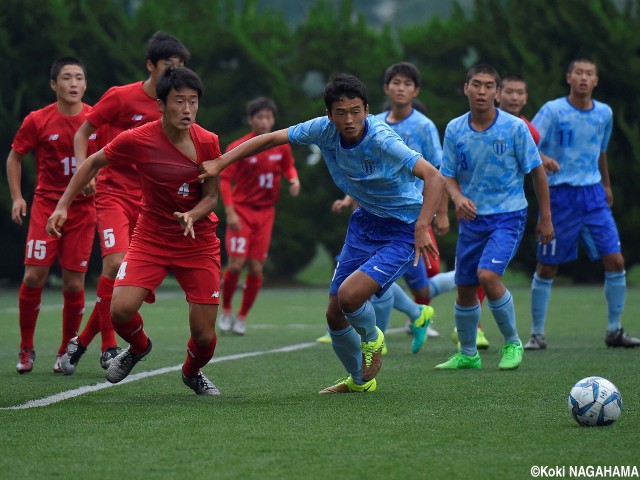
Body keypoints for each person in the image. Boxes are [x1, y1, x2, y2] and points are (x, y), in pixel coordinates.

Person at [199, 73, 446, 393]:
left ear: (367, 110)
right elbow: (269, 139)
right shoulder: (322, 128)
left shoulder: (383, 139)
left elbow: (434, 177)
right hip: (366, 221)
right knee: (334, 315)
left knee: (350, 296)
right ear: (329, 115)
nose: (349, 120)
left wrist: (424, 226)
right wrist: (220, 162)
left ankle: (373, 338)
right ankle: (359, 382)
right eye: (341, 113)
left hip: (403, 228)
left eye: (356, 111)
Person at [47, 66, 223, 396]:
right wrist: (62, 205)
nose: (187, 110)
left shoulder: (209, 142)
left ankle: (191, 372)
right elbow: (92, 162)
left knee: (203, 336)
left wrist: (191, 215)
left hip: (197, 242)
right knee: (120, 310)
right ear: (161, 105)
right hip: (151, 236)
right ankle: (139, 347)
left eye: (193, 102)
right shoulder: (138, 139)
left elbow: (211, 197)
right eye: (179, 101)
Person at [59, 32, 191, 375]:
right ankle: (106, 346)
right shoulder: (121, 97)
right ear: (151, 66)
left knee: (126, 280)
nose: (174, 73)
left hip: (151, 203)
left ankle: (83, 343)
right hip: (113, 192)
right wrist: (84, 169)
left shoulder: (176, 106)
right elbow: (81, 133)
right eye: (168, 66)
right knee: (115, 263)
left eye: (180, 67)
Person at [435, 63, 554, 370]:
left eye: (489, 86)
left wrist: (546, 217)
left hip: (508, 216)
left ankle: (513, 343)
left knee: (487, 276)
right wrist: (457, 198)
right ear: (466, 88)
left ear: (497, 93)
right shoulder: (455, 129)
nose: (482, 91)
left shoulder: (515, 128)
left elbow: (537, 172)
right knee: (464, 286)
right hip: (472, 221)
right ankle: (468, 354)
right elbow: (446, 174)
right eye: (477, 84)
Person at [525, 58, 640, 350]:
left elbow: (601, 152)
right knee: (548, 267)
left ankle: (614, 330)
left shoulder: (604, 113)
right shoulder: (553, 110)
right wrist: (542, 157)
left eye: (590, 74)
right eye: (579, 73)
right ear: (569, 77)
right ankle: (537, 334)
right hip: (559, 195)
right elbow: (527, 142)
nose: (584, 78)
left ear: (596, 80)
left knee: (615, 260)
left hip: (593, 196)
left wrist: (606, 185)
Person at [7, 57, 98, 374]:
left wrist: (97, 182)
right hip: (47, 206)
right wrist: (18, 197)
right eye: (66, 78)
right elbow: (15, 157)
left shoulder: (96, 119)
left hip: (84, 212)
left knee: (74, 285)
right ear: (53, 84)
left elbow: (114, 156)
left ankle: (65, 350)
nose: (73, 83)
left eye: (79, 78)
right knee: (33, 277)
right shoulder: (38, 120)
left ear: (86, 84)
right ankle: (26, 347)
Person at [217, 97, 301, 336]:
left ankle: (242, 317)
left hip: (266, 214)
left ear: (273, 119)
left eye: (268, 117)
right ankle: (227, 310)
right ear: (251, 119)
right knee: (235, 263)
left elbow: (288, 166)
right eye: (260, 117)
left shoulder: (281, 145)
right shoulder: (239, 146)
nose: (265, 122)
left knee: (255, 267)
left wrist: (293, 179)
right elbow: (224, 179)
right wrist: (230, 211)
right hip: (242, 212)